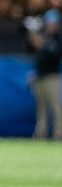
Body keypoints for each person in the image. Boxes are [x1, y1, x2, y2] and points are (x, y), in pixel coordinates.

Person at [25, 9, 62, 140]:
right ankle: (41, 134)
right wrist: (32, 35)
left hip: (53, 77)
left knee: (56, 107)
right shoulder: (43, 37)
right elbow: (31, 50)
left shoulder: (57, 39)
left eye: (54, 23)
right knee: (41, 108)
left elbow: (54, 54)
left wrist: (42, 45)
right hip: (40, 77)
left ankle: (59, 134)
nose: (51, 26)